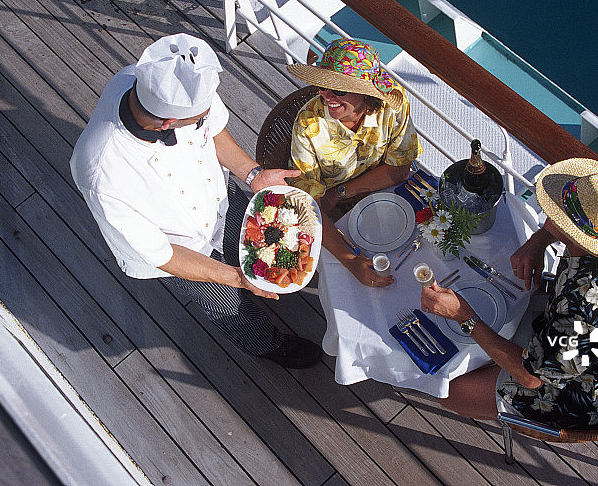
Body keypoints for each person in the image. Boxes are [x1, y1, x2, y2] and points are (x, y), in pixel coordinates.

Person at [70, 33, 321, 369]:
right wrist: (235, 277)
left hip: (222, 203)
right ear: (168, 122)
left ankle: (253, 277)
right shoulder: (102, 174)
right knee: (230, 308)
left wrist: (253, 174)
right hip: (183, 250)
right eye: (197, 118)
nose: (206, 117)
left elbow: (213, 128)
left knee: (263, 250)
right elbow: (162, 253)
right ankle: (269, 346)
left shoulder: (150, 80)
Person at [421, 158, 598, 429]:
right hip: (590, 347)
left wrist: (463, 315)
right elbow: (572, 228)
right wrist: (539, 240)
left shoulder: (585, 308)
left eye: (556, 212)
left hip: (588, 392)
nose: (549, 212)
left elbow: (531, 377)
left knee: (447, 390)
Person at [286, 38, 423, 288]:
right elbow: (309, 204)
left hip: (381, 192)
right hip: (331, 209)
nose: (325, 96)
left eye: (338, 90)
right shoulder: (307, 124)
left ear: (365, 92)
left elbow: (400, 171)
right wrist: (350, 261)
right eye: (322, 85)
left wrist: (339, 193)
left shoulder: (394, 105)